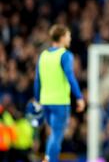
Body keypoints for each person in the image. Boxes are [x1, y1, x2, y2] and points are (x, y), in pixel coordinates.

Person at [34, 24, 85, 162]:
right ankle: (49, 160)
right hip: (60, 102)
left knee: (53, 136)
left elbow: (37, 80)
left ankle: (49, 158)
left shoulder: (43, 55)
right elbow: (70, 76)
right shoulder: (65, 55)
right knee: (56, 136)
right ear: (62, 37)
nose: (70, 38)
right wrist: (79, 97)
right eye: (68, 35)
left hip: (45, 102)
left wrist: (37, 99)